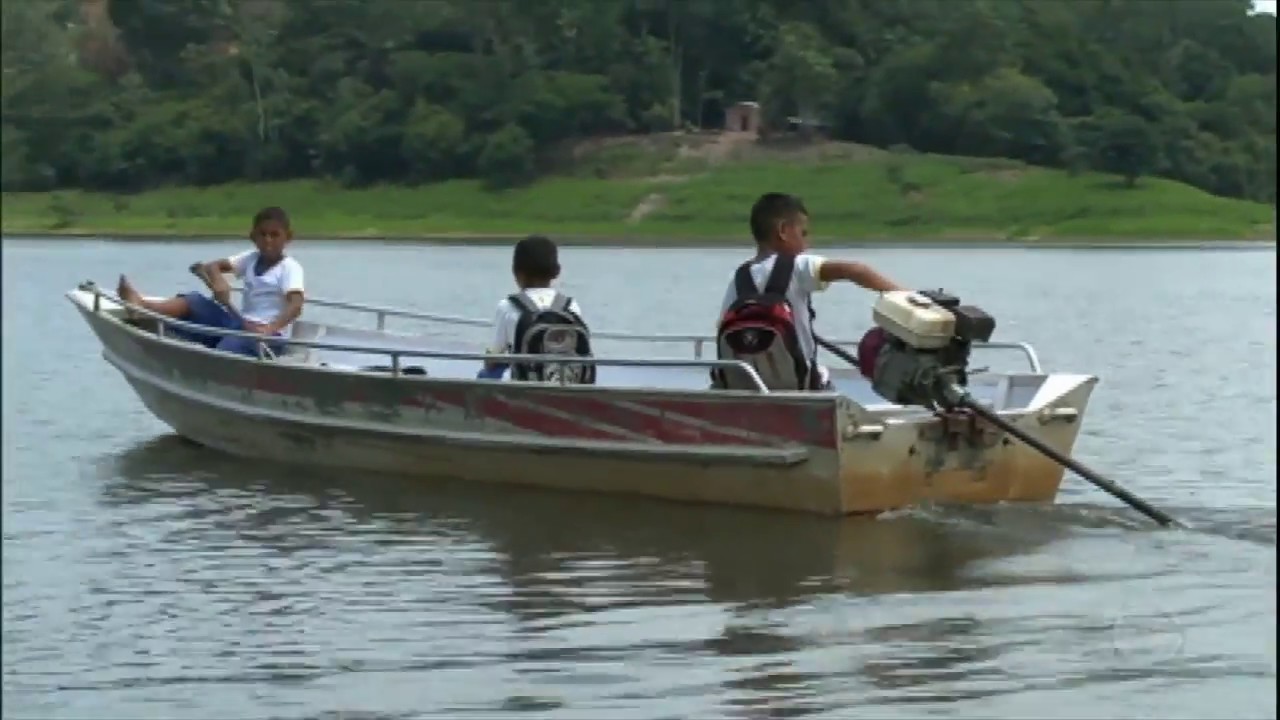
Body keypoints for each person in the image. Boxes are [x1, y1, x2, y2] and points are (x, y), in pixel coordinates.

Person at [712, 192, 904, 391]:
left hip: (745, 386)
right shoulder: (797, 265)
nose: (807, 243)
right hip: (798, 386)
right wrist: (906, 294)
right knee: (825, 380)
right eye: (803, 233)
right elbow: (855, 270)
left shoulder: (739, 277)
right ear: (783, 231)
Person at [116, 206, 305, 358]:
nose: (268, 240)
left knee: (228, 345)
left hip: (268, 338)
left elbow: (296, 306)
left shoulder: (290, 268)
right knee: (193, 301)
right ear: (253, 237)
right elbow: (212, 266)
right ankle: (141, 306)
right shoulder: (250, 258)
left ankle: (212, 359)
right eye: (262, 234)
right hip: (240, 324)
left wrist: (270, 329)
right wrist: (218, 281)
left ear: (288, 237)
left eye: (274, 235)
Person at [478, 235, 594, 384]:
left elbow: (492, 358)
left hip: (523, 385)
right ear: (557, 271)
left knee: (486, 374)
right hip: (565, 382)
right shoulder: (571, 306)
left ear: (515, 272)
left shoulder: (508, 306)